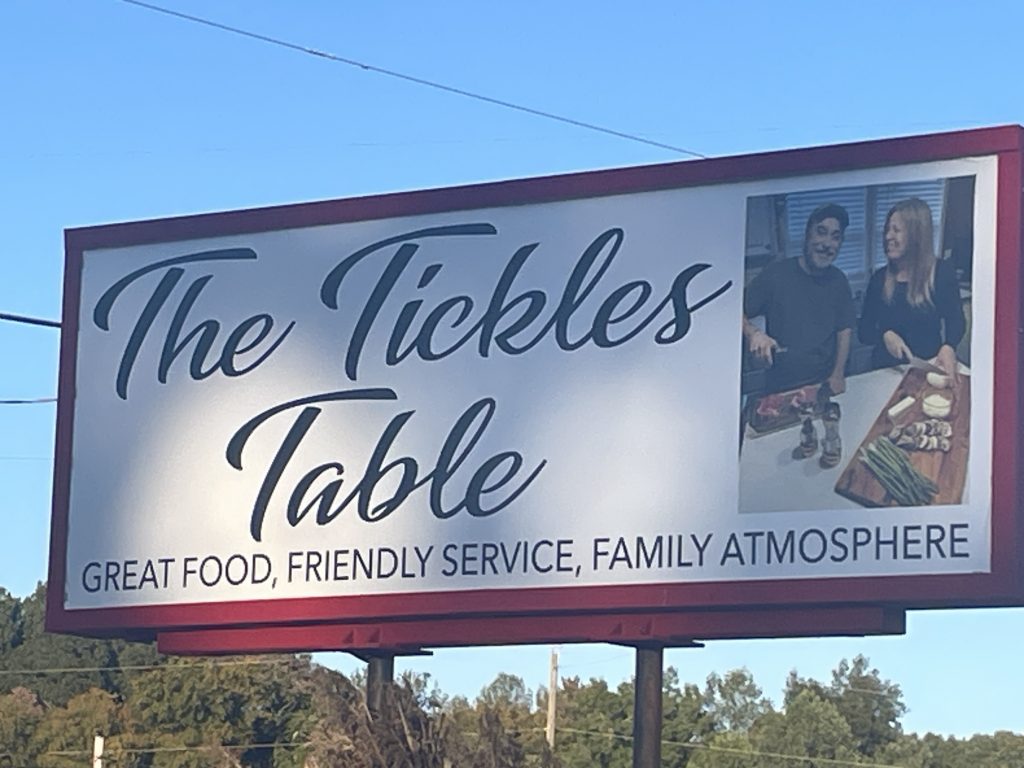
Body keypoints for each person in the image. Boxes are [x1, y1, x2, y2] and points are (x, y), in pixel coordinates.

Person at [743, 203, 854, 394]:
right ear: (807, 234)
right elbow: (733, 309)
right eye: (821, 232)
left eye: (835, 237)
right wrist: (753, 333)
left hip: (823, 386)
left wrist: (838, 374)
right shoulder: (776, 274)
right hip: (781, 389)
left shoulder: (839, 281)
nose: (827, 243)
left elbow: (844, 329)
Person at [857, 197, 965, 380]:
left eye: (896, 230)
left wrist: (949, 346)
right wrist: (884, 335)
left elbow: (956, 321)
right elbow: (864, 332)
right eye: (887, 230)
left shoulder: (941, 273)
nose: (888, 236)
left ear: (916, 235)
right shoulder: (879, 279)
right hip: (886, 372)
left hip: (928, 368)